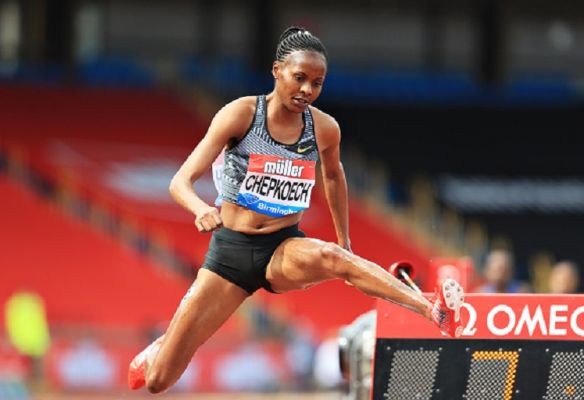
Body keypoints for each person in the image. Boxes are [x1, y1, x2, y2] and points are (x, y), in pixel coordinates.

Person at [128, 26, 465, 394]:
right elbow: (180, 181)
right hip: (229, 255)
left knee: (335, 258)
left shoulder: (323, 128)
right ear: (277, 71)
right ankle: (162, 347)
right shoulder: (240, 115)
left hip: (282, 247)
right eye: (300, 78)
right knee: (159, 380)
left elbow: (334, 177)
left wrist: (344, 239)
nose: (307, 90)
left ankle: (432, 308)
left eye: (317, 83)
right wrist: (200, 209)